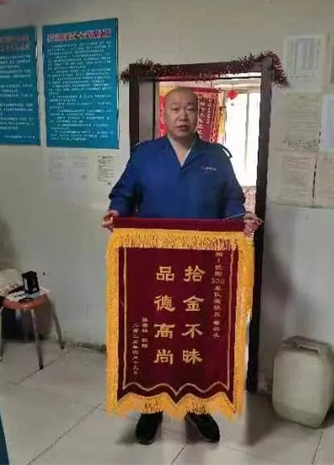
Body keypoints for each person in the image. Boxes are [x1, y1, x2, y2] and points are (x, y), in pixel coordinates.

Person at [102, 87, 261, 445]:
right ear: (164, 113)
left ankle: (197, 406)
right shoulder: (145, 155)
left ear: (198, 114)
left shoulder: (215, 156)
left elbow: (232, 201)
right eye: (175, 108)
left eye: (190, 108)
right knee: (156, 333)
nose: (183, 115)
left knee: (196, 333)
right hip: (153, 266)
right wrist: (117, 211)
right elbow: (124, 193)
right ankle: (151, 406)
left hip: (200, 269)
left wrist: (241, 220)